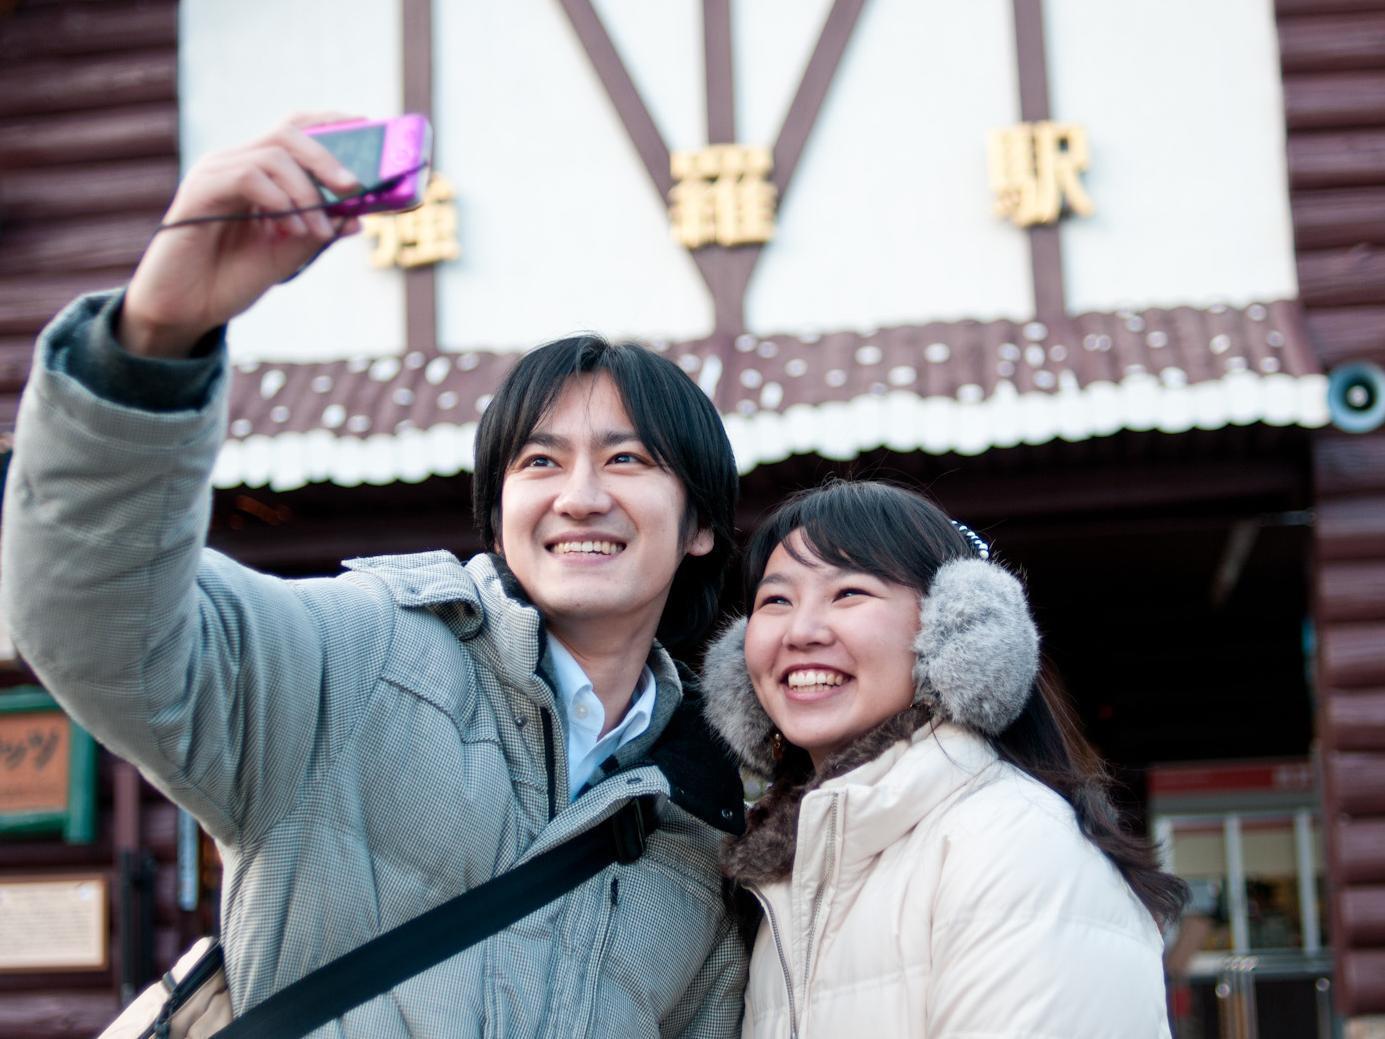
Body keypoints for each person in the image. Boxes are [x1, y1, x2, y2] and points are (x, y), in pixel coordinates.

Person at [1, 117, 749, 1036]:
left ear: (702, 524)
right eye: (540, 462)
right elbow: (100, 622)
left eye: (627, 459)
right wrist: (153, 340)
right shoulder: (360, 654)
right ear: (499, 508)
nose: (580, 497)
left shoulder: (705, 819)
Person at [699, 480, 1187, 1038]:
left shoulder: (1015, 844)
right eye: (776, 600)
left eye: (849, 593)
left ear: (955, 629)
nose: (801, 631)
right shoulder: (786, 865)